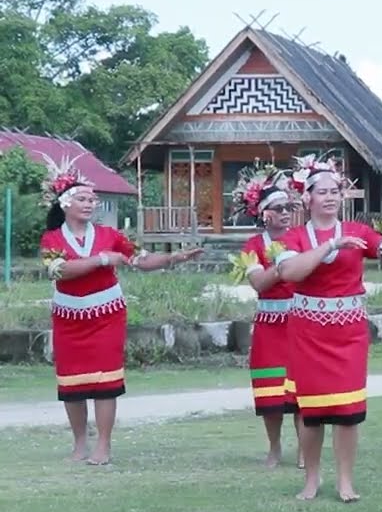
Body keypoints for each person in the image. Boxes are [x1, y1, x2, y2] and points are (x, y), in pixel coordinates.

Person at [273, 152, 382, 502]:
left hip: (348, 334)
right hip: (308, 334)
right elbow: (289, 272)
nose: (330, 197)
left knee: (347, 411)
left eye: (335, 191)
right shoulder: (294, 238)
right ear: (307, 198)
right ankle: (311, 479)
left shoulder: (359, 232)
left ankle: (345, 481)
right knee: (311, 411)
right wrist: (331, 245)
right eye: (322, 191)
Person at [37, 154, 202, 465]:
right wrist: (101, 260)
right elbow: (58, 270)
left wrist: (171, 259)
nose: (89, 204)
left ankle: (104, 445)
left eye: (92, 200)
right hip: (69, 319)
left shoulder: (110, 236)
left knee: (105, 381)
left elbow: (140, 259)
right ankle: (80, 443)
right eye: (82, 199)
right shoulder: (52, 239)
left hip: (107, 316)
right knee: (71, 381)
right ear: (65, 204)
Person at [228, 162, 305, 468]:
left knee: (300, 390)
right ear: (264, 213)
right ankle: (274, 447)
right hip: (269, 326)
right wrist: (282, 267)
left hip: (300, 322)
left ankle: (304, 449)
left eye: (289, 207)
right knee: (270, 390)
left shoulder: (301, 238)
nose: (285, 213)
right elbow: (258, 282)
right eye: (278, 208)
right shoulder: (253, 246)